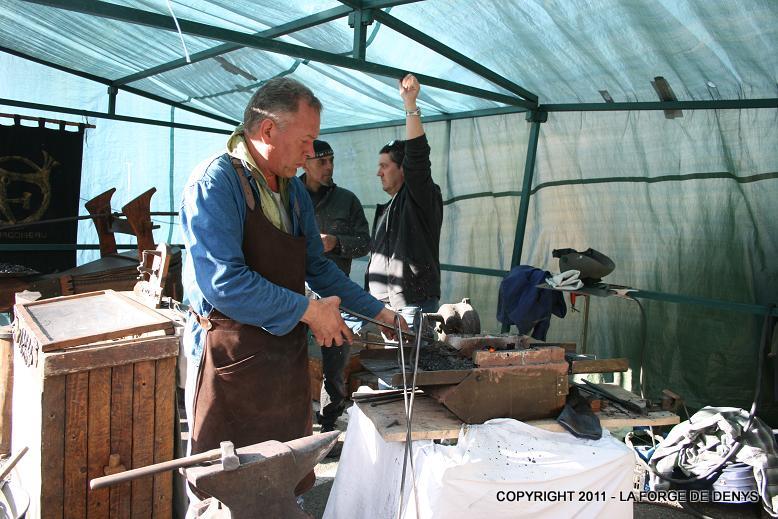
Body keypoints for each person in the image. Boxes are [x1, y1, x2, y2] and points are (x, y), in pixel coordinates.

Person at [180, 77, 402, 507]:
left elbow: (316, 267)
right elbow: (224, 283)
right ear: (267, 132)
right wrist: (309, 310)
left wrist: (381, 314)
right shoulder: (215, 183)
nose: (310, 153)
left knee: (284, 483)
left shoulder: (293, 189)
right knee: (220, 492)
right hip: (229, 357)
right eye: (305, 140)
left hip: (282, 356)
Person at [299, 139, 370, 448]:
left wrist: (336, 243)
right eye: (321, 162)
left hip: (334, 299)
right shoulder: (290, 196)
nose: (328, 168)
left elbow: (365, 243)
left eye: (331, 161)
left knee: (335, 366)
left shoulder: (347, 201)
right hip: (294, 298)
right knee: (289, 363)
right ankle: (295, 431)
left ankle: (329, 429)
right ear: (305, 162)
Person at [366, 74, 443, 320]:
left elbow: (418, 159)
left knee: (410, 360)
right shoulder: (389, 207)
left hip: (411, 306)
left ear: (403, 169)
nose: (378, 172)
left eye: (384, 166)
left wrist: (410, 106)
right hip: (382, 308)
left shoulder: (418, 197)